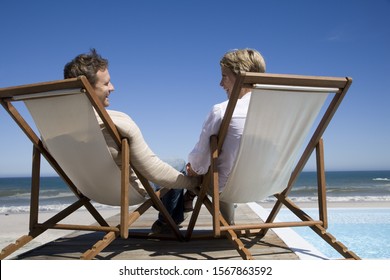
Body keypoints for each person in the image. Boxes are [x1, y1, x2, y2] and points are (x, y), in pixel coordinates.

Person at [63, 49, 199, 227]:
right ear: (86, 88)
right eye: (106, 83)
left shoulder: (53, 128)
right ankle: (169, 221)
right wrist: (192, 183)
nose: (113, 88)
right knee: (178, 162)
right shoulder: (118, 121)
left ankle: (172, 216)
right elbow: (154, 171)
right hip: (126, 191)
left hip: (89, 190)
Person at [186, 48, 266, 224]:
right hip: (266, 185)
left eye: (224, 76)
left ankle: (167, 221)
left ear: (240, 75)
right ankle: (220, 218)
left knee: (184, 167)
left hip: (225, 187)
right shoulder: (278, 112)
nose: (220, 84)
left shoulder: (223, 111)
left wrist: (193, 168)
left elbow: (199, 160)